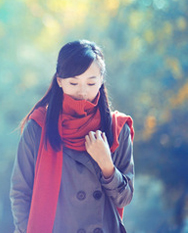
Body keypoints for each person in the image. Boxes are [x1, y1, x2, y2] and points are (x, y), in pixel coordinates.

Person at [10, 40, 134, 233]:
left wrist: (107, 165)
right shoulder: (39, 126)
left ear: (101, 80)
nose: (82, 91)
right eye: (73, 82)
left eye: (91, 82)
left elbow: (125, 197)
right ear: (59, 80)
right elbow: (20, 192)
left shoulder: (117, 128)